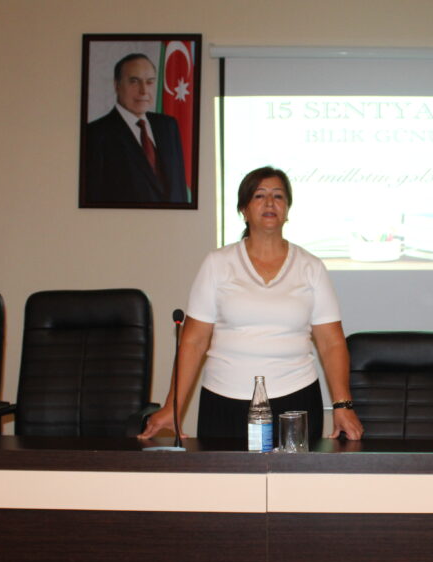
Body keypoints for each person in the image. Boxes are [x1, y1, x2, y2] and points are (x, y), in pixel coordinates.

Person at [138, 166, 364, 442]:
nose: (270, 203)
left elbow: (331, 343)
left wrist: (343, 405)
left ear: (287, 210)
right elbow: (194, 341)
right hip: (225, 400)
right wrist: (172, 407)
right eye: (259, 195)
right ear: (243, 209)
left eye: (278, 196)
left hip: (295, 400)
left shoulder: (311, 267)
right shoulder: (217, 264)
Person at [83, 53, 189, 204]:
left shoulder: (168, 126)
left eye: (150, 82)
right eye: (134, 81)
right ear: (117, 85)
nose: (144, 90)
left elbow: (179, 189)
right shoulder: (95, 134)